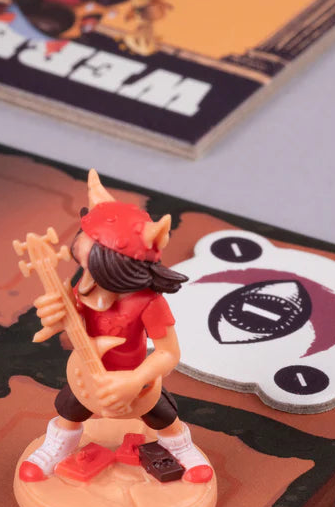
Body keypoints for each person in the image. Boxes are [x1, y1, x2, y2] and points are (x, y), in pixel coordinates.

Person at [19, 169, 213, 484]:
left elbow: (169, 353)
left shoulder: (148, 302)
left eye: (94, 268)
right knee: (70, 407)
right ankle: (58, 445)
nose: (87, 279)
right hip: (87, 375)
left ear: (122, 268)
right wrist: (53, 317)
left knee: (162, 414)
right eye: (83, 266)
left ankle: (180, 447)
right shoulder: (85, 286)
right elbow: (70, 322)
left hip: (136, 379)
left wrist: (134, 379)